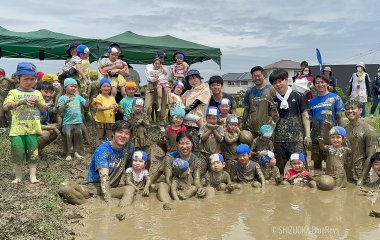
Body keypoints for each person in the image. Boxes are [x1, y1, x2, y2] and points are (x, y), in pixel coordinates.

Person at [59, 120, 135, 205]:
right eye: (120, 132)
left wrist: (130, 182)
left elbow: (129, 168)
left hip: (112, 188)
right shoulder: (103, 150)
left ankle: (123, 212)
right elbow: (104, 177)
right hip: (94, 188)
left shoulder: (129, 147)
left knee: (129, 189)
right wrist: (109, 203)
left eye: (127, 133)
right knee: (65, 187)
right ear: (113, 133)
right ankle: (88, 204)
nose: (123, 136)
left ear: (130, 136)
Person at [3, 62, 46, 183]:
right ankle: (18, 176)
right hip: (17, 131)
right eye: (26, 79)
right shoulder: (14, 93)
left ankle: (33, 176)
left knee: (33, 154)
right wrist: (21, 102)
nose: (29, 82)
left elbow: (44, 109)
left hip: (32, 130)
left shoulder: (37, 93)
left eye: (32, 79)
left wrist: (37, 102)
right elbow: (6, 107)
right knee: (18, 154)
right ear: (18, 78)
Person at [269, 69, 311, 175]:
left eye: (280, 81)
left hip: (297, 139)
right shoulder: (273, 100)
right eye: (275, 83)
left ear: (286, 80)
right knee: (279, 171)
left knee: (301, 169)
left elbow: (305, 116)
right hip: (279, 140)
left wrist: (308, 135)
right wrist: (274, 109)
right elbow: (273, 120)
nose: (278, 85)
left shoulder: (299, 96)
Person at [150, 132, 207, 203]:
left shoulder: (196, 161)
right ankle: (169, 205)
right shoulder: (170, 157)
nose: (184, 146)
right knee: (162, 186)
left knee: (205, 189)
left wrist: (200, 188)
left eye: (187, 143)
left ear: (192, 144)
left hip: (187, 187)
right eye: (181, 143)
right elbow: (168, 179)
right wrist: (174, 190)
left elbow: (197, 179)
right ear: (177, 145)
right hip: (171, 185)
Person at [309, 75, 345, 170]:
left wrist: (342, 134)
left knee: (331, 164)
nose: (320, 84)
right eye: (317, 83)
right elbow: (309, 120)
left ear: (327, 84)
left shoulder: (336, 98)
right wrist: (307, 136)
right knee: (316, 164)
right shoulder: (311, 101)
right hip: (315, 136)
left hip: (331, 136)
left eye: (322, 82)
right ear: (314, 85)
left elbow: (339, 117)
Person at [345, 100, 377, 185]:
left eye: (352, 108)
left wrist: (362, 178)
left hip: (360, 176)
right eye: (347, 109)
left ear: (360, 110)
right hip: (345, 174)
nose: (350, 111)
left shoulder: (369, 130)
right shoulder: (344, 129)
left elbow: (371, 156)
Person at [242, 66, 277, 138]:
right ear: (252, 77)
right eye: (254, 76)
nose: (257, 78)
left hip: (267, 129)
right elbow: (246, 110)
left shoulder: (271, 90)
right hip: (252, 128)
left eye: (259, 76)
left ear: (263, 75)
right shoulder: (249, 91)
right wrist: (243, 125)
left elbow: (276, 109)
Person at [58, 78, 88, 161]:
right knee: (67, 137)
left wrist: (87, 98)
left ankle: (75, 152)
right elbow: (59, 110)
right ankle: (68, 153)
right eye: (71, 86)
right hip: (67, 122)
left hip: (78, 121)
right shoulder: (62, 98)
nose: (74, 88)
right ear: (65, 87)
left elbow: (85, 105)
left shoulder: (78, 97)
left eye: (75, 87)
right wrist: (66, 102)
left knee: (77, 137)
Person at [182, 69, 211, 149]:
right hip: (186, 123)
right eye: (190, 79)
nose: (193, 81)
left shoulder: (205, 90)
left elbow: (194, 105)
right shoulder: (187, 92)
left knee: (197, 147)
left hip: (197, 124)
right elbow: (180, 103)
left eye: (194, 78)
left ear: (199, 78)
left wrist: (180, 113)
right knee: (186, 147)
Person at [35, 81, 60, 153]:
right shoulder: (34, 105)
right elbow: (35, 125)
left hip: (36, 130)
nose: (48, 95)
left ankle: (38, 150)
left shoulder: (46, 106)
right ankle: (30, 152)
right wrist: (52, 127)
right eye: (46, 92)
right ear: (38, 92)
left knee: (57, 126)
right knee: (46, 133)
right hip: (28, 133)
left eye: (51, 92)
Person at [144, 51, 168, 124]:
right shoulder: (148, 66)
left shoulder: (164, 67)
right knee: (147, 105)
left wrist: (158, 78)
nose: (162, 59)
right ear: (156, 56)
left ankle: (160, 122)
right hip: (151, 85)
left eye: (163, 58)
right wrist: (153, 79)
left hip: (161, 86)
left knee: (161, 105)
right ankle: (145, 121)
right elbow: (148, 76)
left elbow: (165, 76)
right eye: (161, 57)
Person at [92, 78, 118, 143]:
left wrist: (116, 109)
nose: (106, 88)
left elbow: (115, 111)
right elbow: (99, 108)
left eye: (108, 86)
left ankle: (109, 150)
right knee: (100, 136)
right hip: (100, 119)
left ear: (110, 88)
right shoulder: (99, 97)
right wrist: (109, 107)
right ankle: (98, 149)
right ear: (100, 88)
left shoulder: (112, 98)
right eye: (104, 86)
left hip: (110, 120)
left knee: (109, 136)